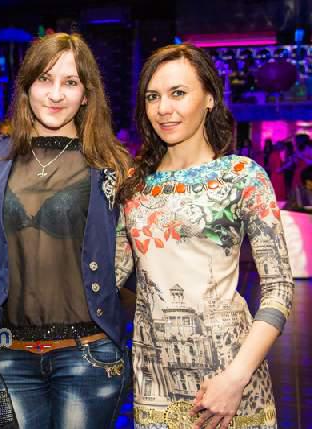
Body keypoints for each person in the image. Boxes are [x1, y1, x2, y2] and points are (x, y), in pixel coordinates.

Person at [118, 44, 294, 429]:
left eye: (178, 93)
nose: (164, 108)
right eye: (153, 96)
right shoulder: (133, 185)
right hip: (154, 385)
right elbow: (110, 277)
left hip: (232, 380)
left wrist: (236, 378)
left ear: (210, 98)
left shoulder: (242, 176)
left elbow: (279, 288)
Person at [0, 32, 133, 429]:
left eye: (70, 82)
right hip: (9, 353)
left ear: (87, 94)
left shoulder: (109, 164)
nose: (56, 94)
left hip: (87, 352)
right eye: (45, 79)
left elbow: (137, 250)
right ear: (27, 86)